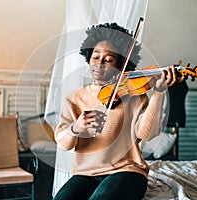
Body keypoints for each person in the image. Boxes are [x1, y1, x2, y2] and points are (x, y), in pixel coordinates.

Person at [52, 22, 183, 200]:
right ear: (89, 57)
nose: (99, 63)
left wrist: (159, 92)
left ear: (121, 65)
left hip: (127, 171)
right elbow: (63, 143)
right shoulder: (74, 98)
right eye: (96, 56)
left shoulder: (134, 95)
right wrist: (76, 127)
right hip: (85, 174)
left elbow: (147, 133)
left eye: (108, 59)